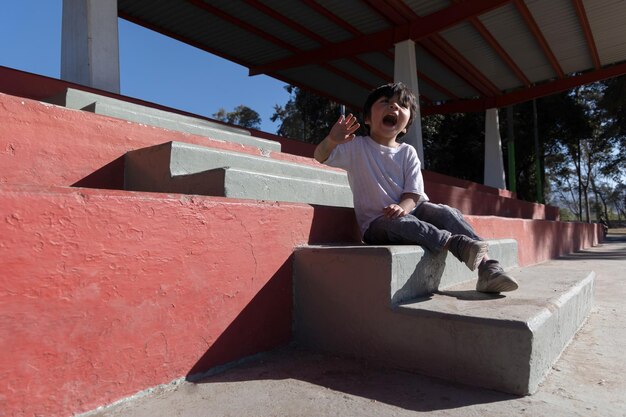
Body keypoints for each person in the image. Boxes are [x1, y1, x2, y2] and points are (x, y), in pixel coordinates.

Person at [314, 82, 518, 293]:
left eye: (401, 105)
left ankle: (488, 267)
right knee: (404, 223)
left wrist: (403, 206)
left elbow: (414, 192)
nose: (393, 107)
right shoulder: (356, 147)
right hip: (377, 223)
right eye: (385, 102)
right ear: (367, 118)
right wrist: (331, 140)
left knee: (446, 212)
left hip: (412, 208)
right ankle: (455, 244)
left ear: (406, 124)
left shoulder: (407, 152)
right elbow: (321, 156)